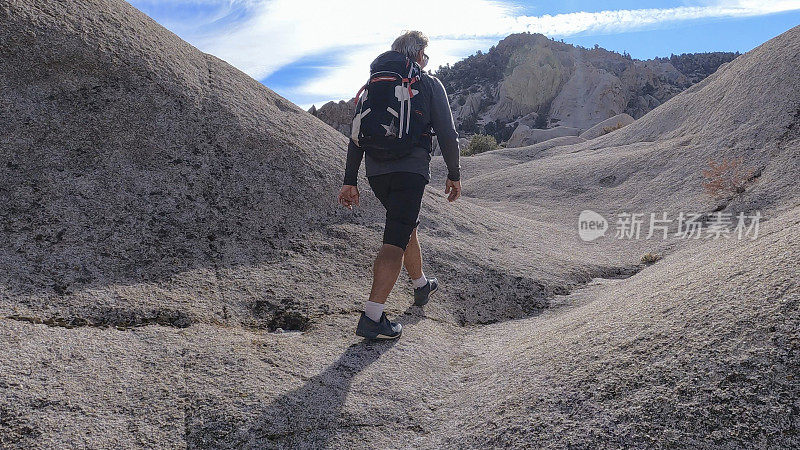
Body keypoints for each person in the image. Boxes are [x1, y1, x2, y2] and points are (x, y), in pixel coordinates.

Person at [338, 30, 462, 340]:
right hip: (409, 170)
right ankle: (373, 317)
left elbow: (356, 135)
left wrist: (350, 180)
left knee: (407, 226)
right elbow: (447, 134)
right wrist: (454, 173)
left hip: (377, 173)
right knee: (395, 238)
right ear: (419, 54)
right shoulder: (429, 84)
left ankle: (421, 285)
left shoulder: (373, 87)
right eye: (426, 55)